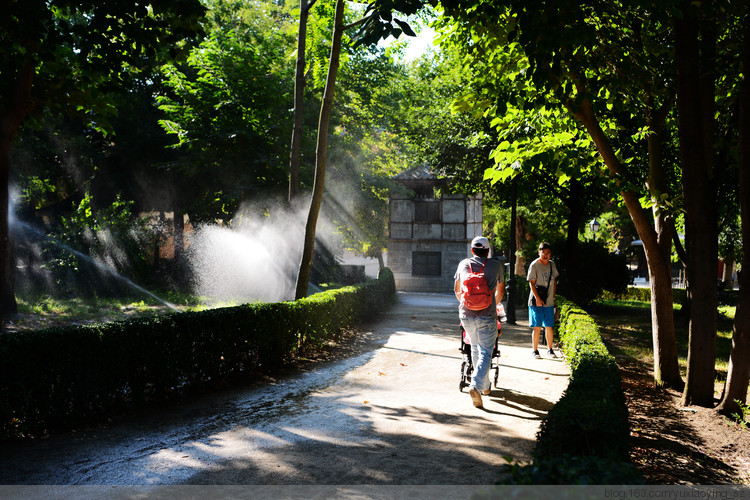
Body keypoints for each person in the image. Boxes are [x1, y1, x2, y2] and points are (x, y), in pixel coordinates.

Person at [454, 236, 505, 408]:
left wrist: (466, 304)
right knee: (485, 352)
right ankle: (475, 384)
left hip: (466, 315)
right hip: (486, 315)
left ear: (472, 250)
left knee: (474, 348)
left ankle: (485, 387)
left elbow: (457, 290)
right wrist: (492, 305)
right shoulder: (496, 265)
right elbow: (501, 291)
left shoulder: (463, 264)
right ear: (488, 251)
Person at [527, 242, 559, 359]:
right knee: (537, 326)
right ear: (539, 252)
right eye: (543, 253)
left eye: (547, 253)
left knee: (549, 326)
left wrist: (553, 298)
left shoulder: (552, 265)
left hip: (549, 301)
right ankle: (535, 350)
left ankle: (550, 349)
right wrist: (538, 299)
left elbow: (554, 281)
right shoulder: (534, 265)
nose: (545, 255)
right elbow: (532, 283)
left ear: (550, 254)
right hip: (536, 301)